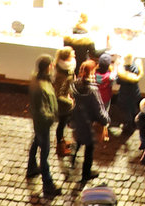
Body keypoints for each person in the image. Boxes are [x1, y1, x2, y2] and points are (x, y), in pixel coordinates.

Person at [27, 53, 60, 199]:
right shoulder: (41, 86)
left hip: (39, 123)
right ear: (48, 67)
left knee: (36, 141)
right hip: (43, 123)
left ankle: (31, 168)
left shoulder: (38, 79)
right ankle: (48, 184)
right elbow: (42, 110)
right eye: (51, 65)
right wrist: (51, 118)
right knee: (44, 153)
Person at [68, 59, 105, 185]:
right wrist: (105, 120)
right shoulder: (92, 90)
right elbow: (98, 109)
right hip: (89, 124)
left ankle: (72, 159)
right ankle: (86, 174)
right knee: (89, 149)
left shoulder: (74, 84)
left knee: (78, 140)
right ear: (92, 72)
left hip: (78, 121)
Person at [52, 46, 75, 163]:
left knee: (64, 123)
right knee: (61, 124)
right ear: (67, 57)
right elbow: (58, 94)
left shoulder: (67, 67)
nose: (74, 54)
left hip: (67, 99)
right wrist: (69, 101)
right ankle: (60, 146)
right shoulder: (61, 74)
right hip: (63, 104)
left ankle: (62, 141)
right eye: (72, 54)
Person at [114, 55, 141, 135]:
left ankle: (128, 125)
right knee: (133, 108)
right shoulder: (136, 68)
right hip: (135, 92)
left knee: (126, 110)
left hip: (125, 94)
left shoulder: (122, 71)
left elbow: (118, 81)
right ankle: (134, 123)